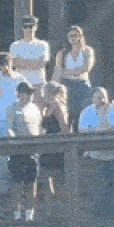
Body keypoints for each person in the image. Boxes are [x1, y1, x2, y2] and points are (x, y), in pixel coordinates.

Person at [77, 87, 114, 219]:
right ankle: (98, 218)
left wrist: (98, 127)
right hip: (95, 157)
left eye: (103, 96)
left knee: (113, 187)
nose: (101, 100)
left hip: (113, 156)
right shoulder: (87, 111)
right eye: (98, 97)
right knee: (98, 187)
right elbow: (82, 129)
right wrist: (97, 129)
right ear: (92, 99)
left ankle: (113, 217)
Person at [6, 81, 43, 220]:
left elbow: (39, 128)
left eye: (30, 93)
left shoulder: (35, 108)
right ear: (20, 94)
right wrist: (13, 137)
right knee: (16, 184)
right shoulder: (12, 109)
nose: (30, 96)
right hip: (17, 151)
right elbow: (9, 128)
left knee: (31, 183)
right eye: (27, 93)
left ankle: (29, 215)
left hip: (33, 151)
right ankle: (17, 215)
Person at [34, 82, 69, 219]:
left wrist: (50, 136)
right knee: (45, 181)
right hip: (46, 150)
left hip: (56, 149)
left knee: (57, 182)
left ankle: (60, 213)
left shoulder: (59, 107)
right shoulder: (46, 108)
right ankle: (50, 212)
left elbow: (65, 129)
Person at [52, 26, 95, 130]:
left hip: (82, 84)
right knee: (68, 113)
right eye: (70, 35)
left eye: (75, 35)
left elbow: (86, 68)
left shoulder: (87, 51)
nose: (72, 38)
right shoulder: (62, 54)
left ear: (80, 36)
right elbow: (58, 72)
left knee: (85, 111)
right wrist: (54, 88)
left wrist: (66, 72)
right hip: (68, 85)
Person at [9, 15, 50, 88]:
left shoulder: (43, 44)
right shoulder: (15, 45)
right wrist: (34, 62)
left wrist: (22, 62)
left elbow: (41, 64)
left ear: (36, 27)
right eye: (25, 27)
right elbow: (14, 64)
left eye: (31, 26)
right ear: (22, 28)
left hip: (38, 83)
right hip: (20, 84)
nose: (28, 29)